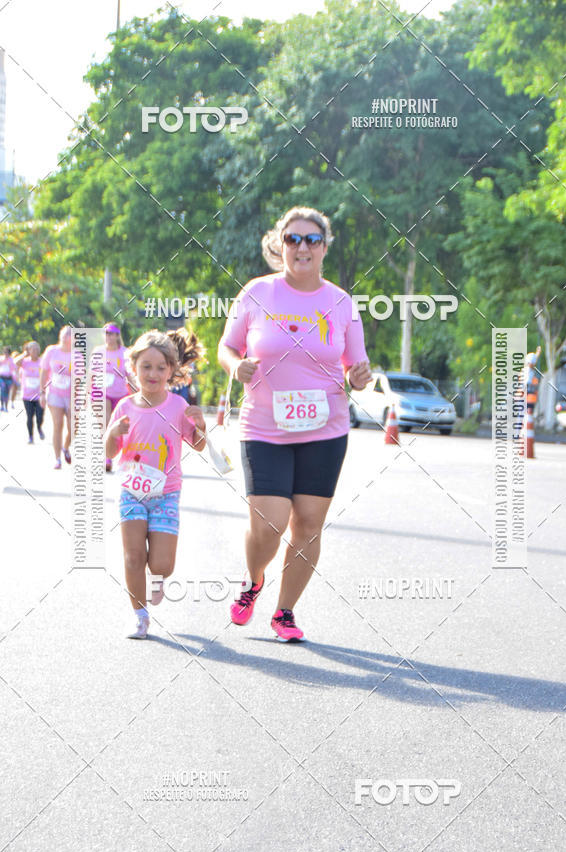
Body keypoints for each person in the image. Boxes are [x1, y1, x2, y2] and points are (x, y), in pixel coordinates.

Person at [218, 206, 371, 642]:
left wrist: (357, 376)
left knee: (306, 523)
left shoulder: (341, 302)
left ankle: (285, 612)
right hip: (264, 426)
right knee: (269, 522)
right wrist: (237, 366)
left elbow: (355, 365)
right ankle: (253, 581)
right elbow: (226, 348)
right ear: (279, 245)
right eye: (292, 239)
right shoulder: (255, 293)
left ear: (324, 247)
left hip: (325, 429)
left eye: (311, 239)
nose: (301, 247)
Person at [105, 328, 206, 640]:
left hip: (166, 493)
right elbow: (109, 453)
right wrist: (112, 435)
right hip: (132, 491)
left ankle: (157, 579)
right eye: (146, 366)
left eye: (161, 367)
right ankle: (139, 616)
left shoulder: (177, 406)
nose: (153, 373)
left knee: (162, 564)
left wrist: (200, 425)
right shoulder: (124, 407)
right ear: (133, 368)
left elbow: (199, 445)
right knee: (133, 557)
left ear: (171, 371)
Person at [90, 322, 135, 471]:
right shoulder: (98, 351)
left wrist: (138, 393)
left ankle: (118, 454)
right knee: (105, 424)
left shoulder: (124, 353)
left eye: (111, 333)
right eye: (106, 333)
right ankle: (107, 458)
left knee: (118, 426)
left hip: (120, 393)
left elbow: (130, 375)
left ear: (117, 335)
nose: (108, 337)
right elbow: (91, 374)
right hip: (100, 392)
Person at [40, 326, 74, 469]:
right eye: (65, 333)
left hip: (71, 395)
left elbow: (79, 378)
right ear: (60, 336)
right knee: (57, 424)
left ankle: (65, 447)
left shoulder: (77, 355)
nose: (67, 336)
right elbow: (44, 371)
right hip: (54, 394)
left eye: (70, 334)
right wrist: (42, 392)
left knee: (73, 427)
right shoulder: (51, 351)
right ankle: (57, 459)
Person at [17, 341, 45, 443]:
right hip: (27, 395)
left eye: (37, 349)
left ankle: (39, 427)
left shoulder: (42, 362)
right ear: (29, 351)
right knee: (29, 416)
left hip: (39, 395)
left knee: (40, 416)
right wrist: (24, 354)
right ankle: (31, 436)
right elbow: (16, 362)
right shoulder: (25, 362)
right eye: (32, 349)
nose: (35, 351)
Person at [0, 347, 17, 412]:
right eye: (5, 352)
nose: (6, 354)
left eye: (7, 353)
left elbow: (13, 369)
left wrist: (15, 378)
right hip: (1, 377)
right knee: (2, 390)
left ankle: (6, 407)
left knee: (7, 392)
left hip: (8, 378)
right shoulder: (1, 359)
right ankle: (1, 406)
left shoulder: (11, 360)